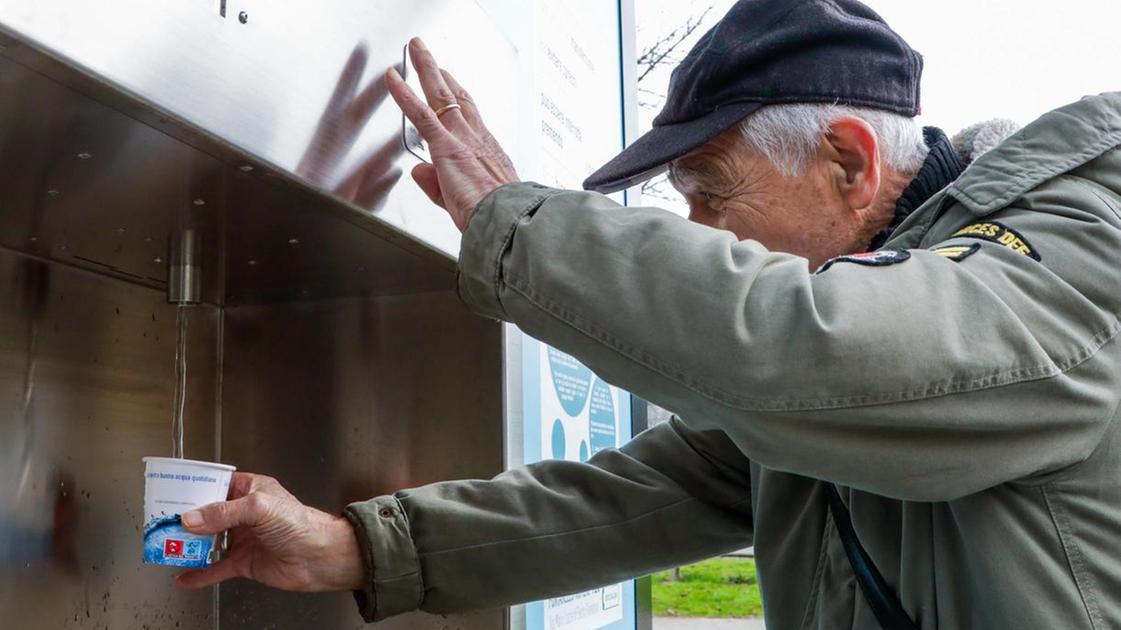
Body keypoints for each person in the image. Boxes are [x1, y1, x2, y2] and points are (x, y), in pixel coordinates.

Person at [173, 1, 1121, 627]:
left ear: (848, 162)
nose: (700, 228)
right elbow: (645, 495)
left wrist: (521, 229)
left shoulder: (1072, 248)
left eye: (709, 191)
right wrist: (356, 548)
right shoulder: (852, 348)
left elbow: (815, 351)